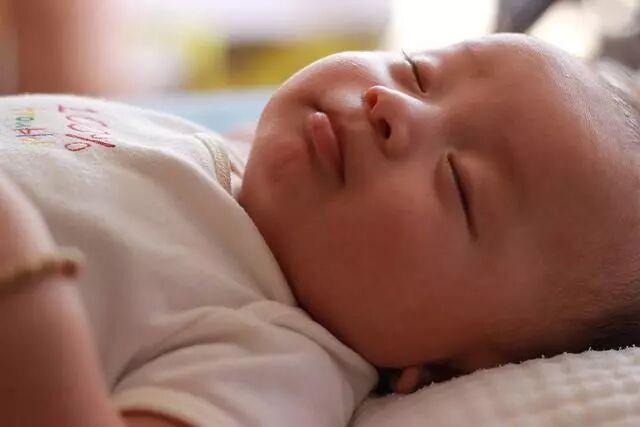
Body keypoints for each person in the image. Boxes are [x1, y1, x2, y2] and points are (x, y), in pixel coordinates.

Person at [1, 33, 639, 426]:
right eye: (418, 70)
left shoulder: (275, 363)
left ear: (437, 370)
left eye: (458, 184)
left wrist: (24, 280)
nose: (392, 106)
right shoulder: (217, 151)